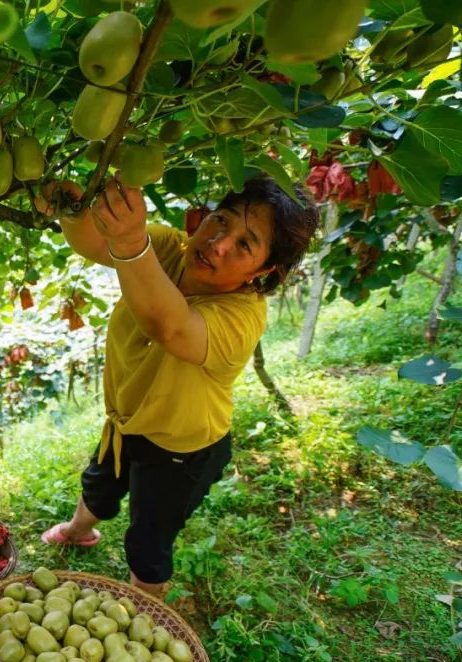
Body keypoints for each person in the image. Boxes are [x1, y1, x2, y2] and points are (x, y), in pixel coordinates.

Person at [37, 173, 319, 600]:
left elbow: (169, 325)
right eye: (222, 221)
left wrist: (131, 242)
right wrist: (69, 207)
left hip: (183, 449)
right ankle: (79, 531)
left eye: (245, 243)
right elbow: (98, 242)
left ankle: (147, 610)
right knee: (101, 481)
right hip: (128, 421)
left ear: (264, 270)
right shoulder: (168, 249)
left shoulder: (243, 316)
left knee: (149, 537)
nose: (219, 243)